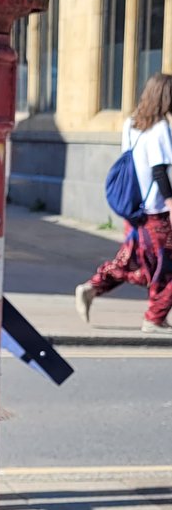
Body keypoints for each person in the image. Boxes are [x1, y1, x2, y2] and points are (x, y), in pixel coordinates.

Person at [75, 71, 172, 335]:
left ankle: (92, 287)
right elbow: (159, 171)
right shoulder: (160, 128)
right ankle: (154, 318)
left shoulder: (132, 124)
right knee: (163, 267)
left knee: (136, 261)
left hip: (134, 210)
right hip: (156, 213)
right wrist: (170, 202)